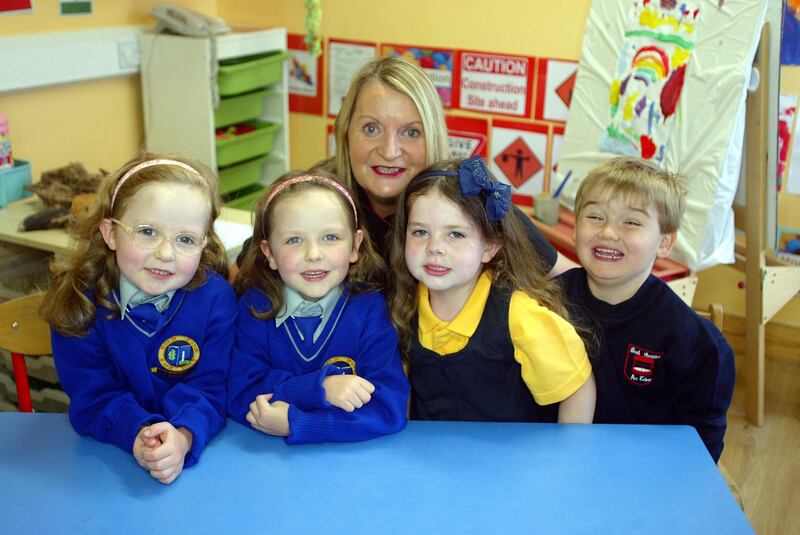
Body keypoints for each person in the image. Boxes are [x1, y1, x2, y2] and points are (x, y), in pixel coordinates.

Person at [232, 56, 574, 280]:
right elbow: (238, 277)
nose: (390, 150)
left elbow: (567, 279)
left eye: (411, 132)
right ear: (345, 130)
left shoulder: (470, 196)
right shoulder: (312, 198)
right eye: (371, 129)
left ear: (433, 137)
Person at [42, 155, 236, 485]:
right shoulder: (78, 304)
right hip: (103, 466)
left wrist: (183, 435)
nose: (165, 253)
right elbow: (93, 396)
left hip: (205, 465)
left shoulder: (216, 300)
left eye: (186, 239)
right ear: (110, 233)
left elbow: (212, 387)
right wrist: (138, 433)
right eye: (147, 232)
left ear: (204, 244)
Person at [388, 157, 596, 423]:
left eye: (455, 234)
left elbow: (578, 388)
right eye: (419, 232)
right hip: (436, 458)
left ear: (489, 246)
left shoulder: (521, 316)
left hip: (512, 459)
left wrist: (567, 457)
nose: (434, 248)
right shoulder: (403, 305)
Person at [557, 156, 735, 461]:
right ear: (575, 227)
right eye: (596, 217)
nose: (609, 232)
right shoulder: (547, 301)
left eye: (631, 222)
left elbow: (699, 450)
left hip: (646, 476)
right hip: (559, 461)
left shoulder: (695, 343)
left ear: (664, 243)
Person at [227, 172, 409, 444]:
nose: (313, 254)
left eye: (331, 237)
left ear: (355, 246)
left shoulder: (370, 310)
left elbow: (388, 409)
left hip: (350, 469)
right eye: (293, 240)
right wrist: (321, 388)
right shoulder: (254, 307)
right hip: (269, 467)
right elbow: (241, 394)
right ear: (269, 253)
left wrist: (298, 423)